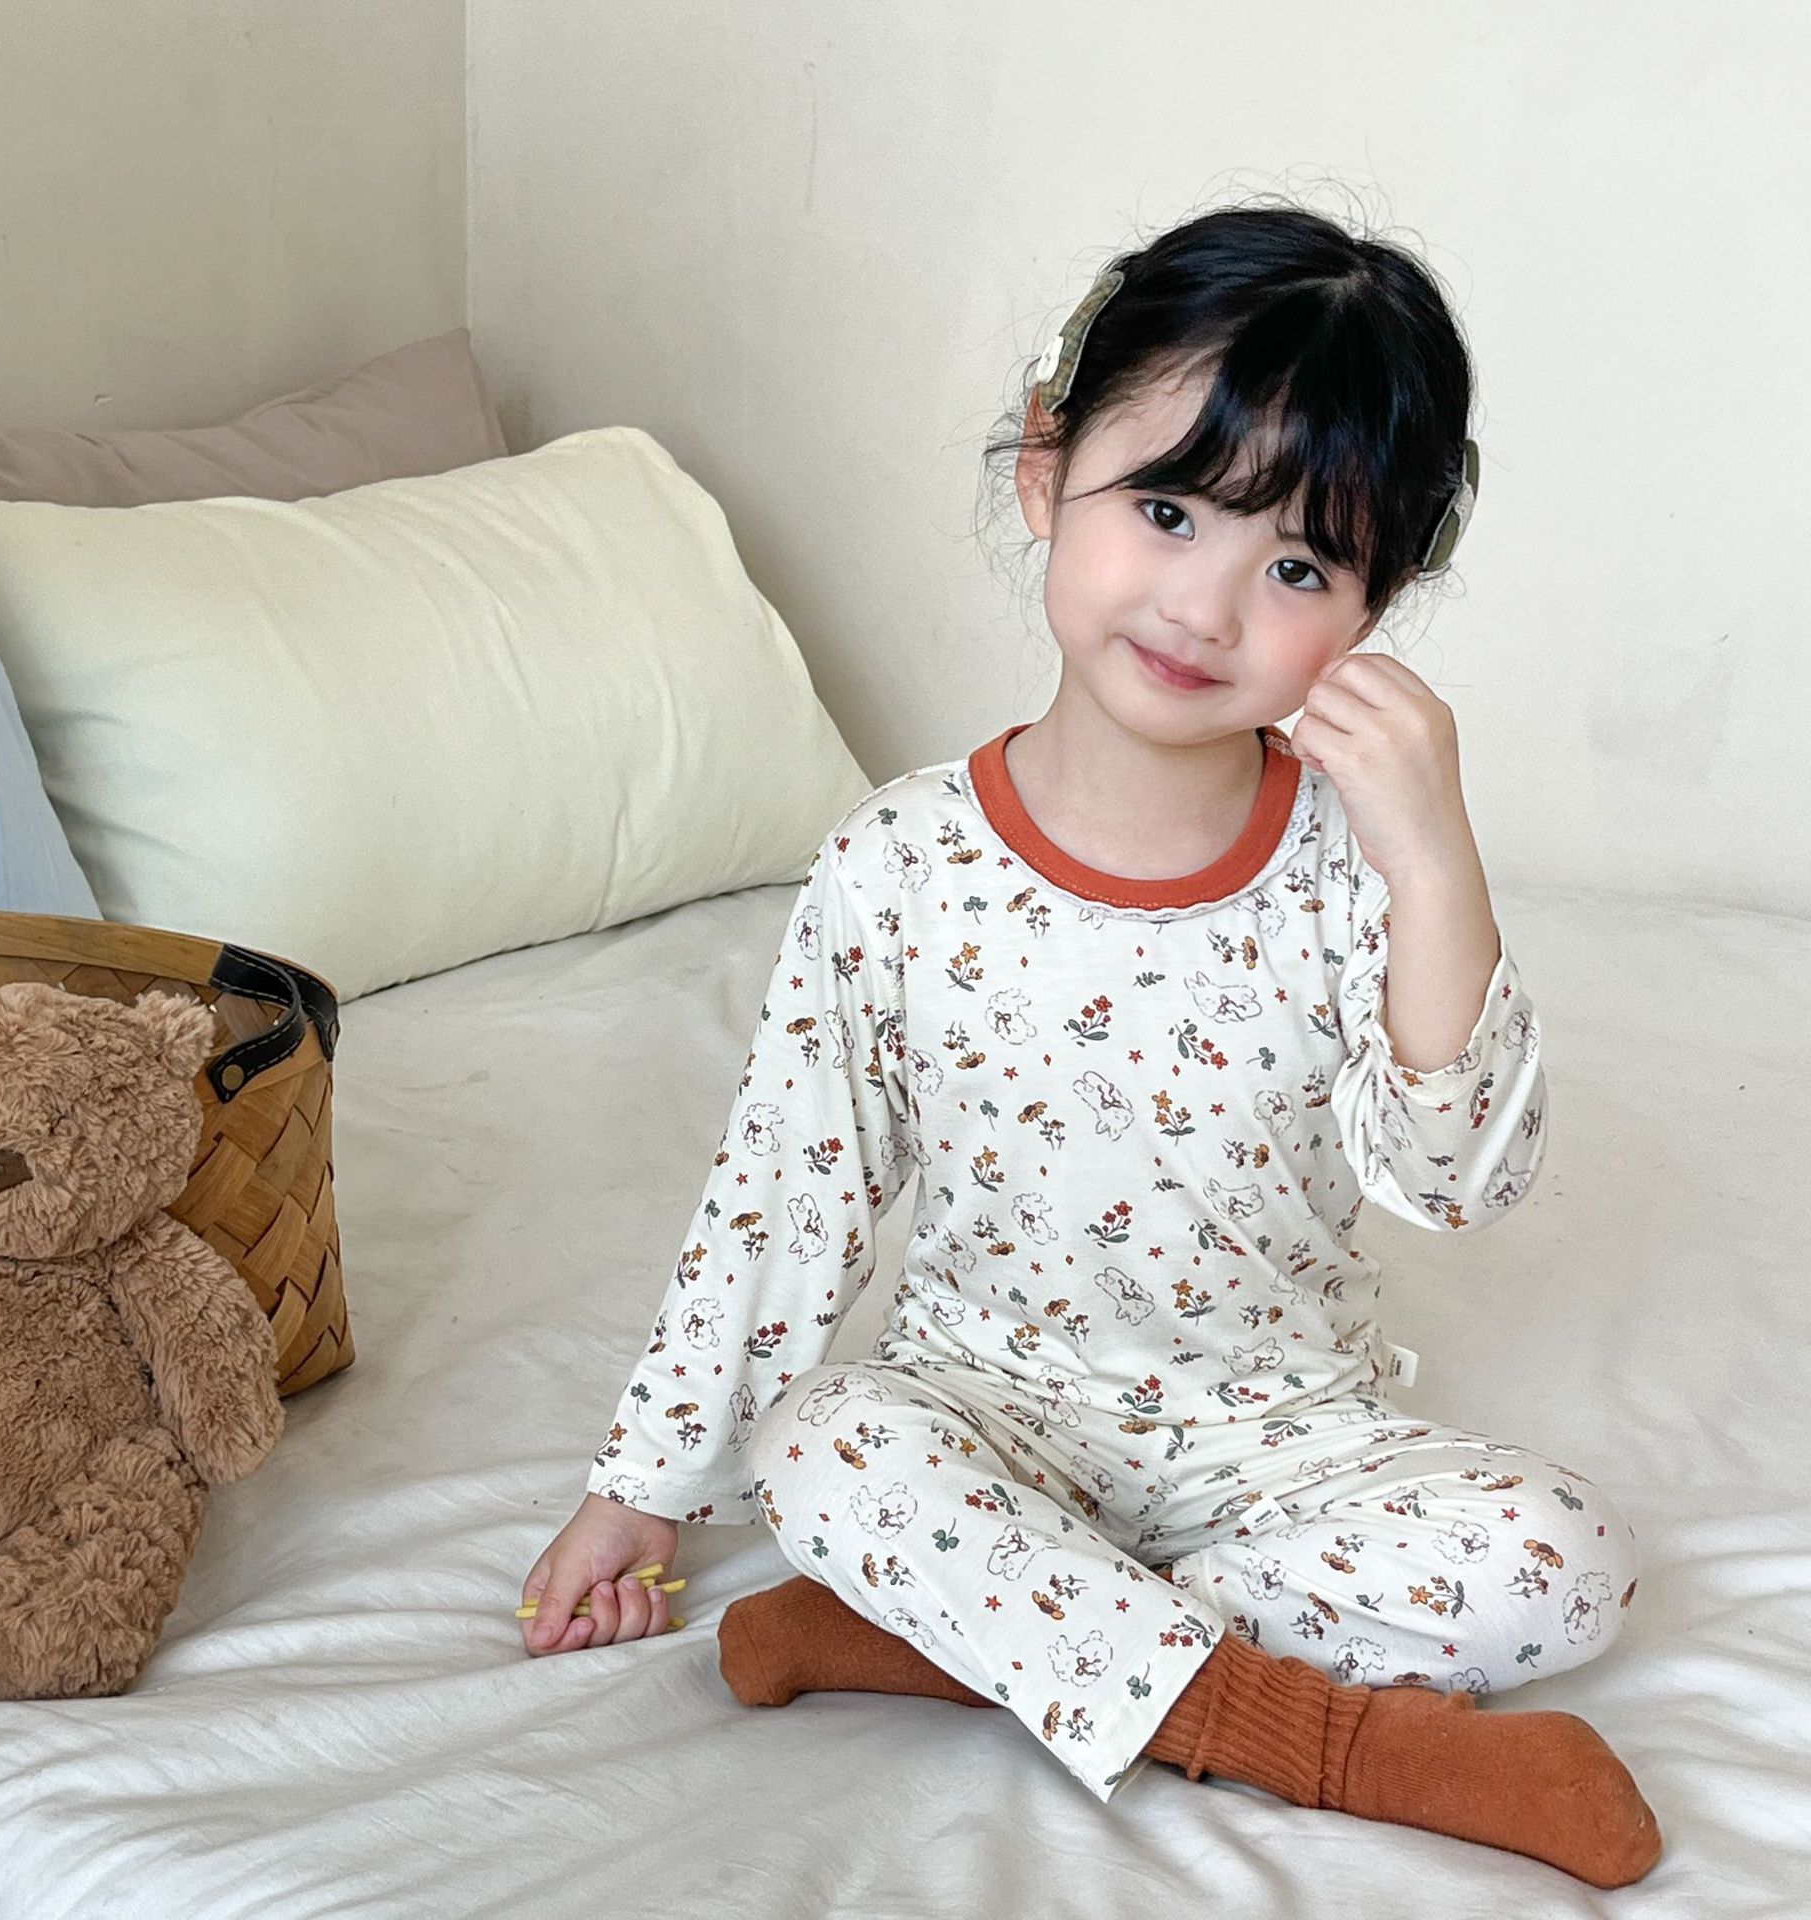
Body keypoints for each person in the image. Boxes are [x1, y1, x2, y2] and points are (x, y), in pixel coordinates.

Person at [520, 201, 1660, 1889]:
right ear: (1047, 470)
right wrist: (641, 1491)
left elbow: (1453, 1185)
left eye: (1297, 567)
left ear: (1375, 608)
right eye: (1170, 509)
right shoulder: (898, 865)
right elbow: (787, 1198)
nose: (1205, 604)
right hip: (985, 1413)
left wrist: (1435, 858)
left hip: (1279, 1435)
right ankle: (1316, 1739)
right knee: (825, 1450)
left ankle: (952, 1641)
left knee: (1567, 1562)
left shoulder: (1354, 867)